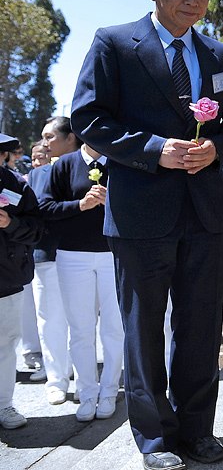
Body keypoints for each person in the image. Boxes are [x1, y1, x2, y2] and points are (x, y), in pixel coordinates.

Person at [70, 0, 223, 470]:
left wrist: (217, 147)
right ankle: (155, 438)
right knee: (143, 330)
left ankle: (198, 431)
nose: (194, 2)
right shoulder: (114, 44)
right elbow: (89, 118)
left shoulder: (219, 55)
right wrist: (155, 151)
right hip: (139, 215)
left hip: (204, 215)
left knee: (201, 328)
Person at [40, 142, 123, 422]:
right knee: (81, 330)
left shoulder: (119, 160)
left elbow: (139, 204)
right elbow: (46, 208)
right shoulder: (64, 164)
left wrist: (112, 198)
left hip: (114, 254)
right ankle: (86, 393)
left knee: (114, 328)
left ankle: (110, 390)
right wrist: (81, 204)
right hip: (72, 256)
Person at [28, 117, 80, 406]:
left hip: (84, 253)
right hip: (47, 255)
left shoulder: (89, 167)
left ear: (70, 137)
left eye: (50, 137)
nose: (44, 144)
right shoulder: (37, 175)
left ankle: (84, 376)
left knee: (82, 322)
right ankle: (56, 380)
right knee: (49, 320)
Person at [0, 133, 43, 430]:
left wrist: (10, 223)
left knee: (5, 345)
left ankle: (4, 405)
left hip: (7, 278)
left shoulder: (15, 184)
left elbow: (37, 228)